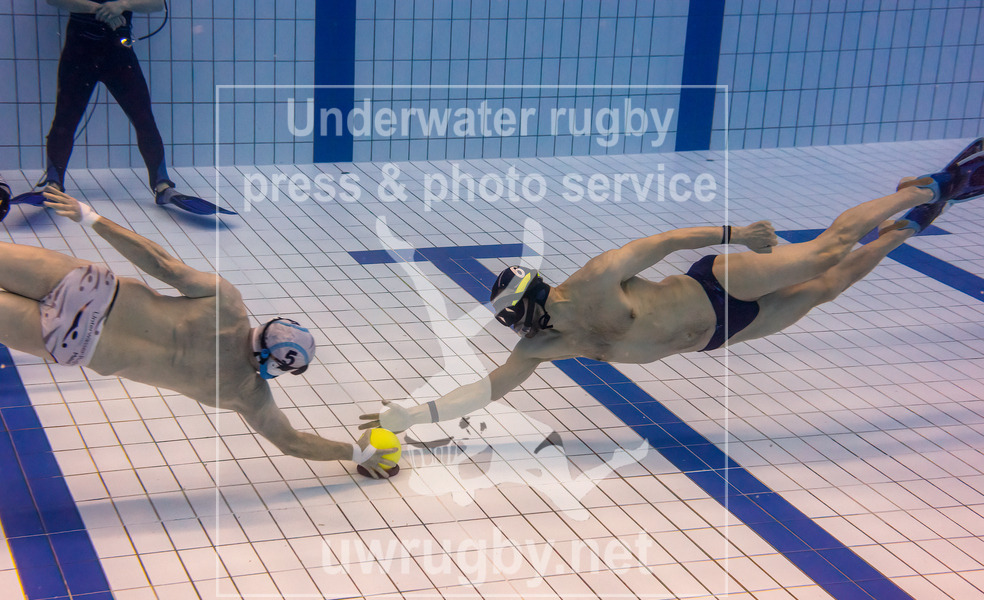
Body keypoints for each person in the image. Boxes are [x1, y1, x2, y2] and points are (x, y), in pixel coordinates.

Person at [361, 139, 984, 434]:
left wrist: (735, 232)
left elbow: (661, 244)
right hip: (719, 334)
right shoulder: (543, 350)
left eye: (521, 317)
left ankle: (925, 185)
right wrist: (409, 415)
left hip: (717, 285)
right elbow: (484, 391)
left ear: (531, 304)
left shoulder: (595, 282)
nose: (525, 331)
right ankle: (911, 223)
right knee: (831, 287)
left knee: (825, 251)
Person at [0, 169, 392, 476]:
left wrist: (89, 217)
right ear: (278, 369)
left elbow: (158, 262)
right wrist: (358, 452)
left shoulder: (227, 304)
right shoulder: (247, 395)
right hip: (70, 341)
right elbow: (293, 442)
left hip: (89, 288)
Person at [17, 1, 232, 215]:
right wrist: (100, 10)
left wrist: (122, 4)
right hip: (79, 53)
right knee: (65, 120)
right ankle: (54, 184)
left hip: (117, 54)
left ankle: (163, 186)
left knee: (144, 119)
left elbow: (157, 4)